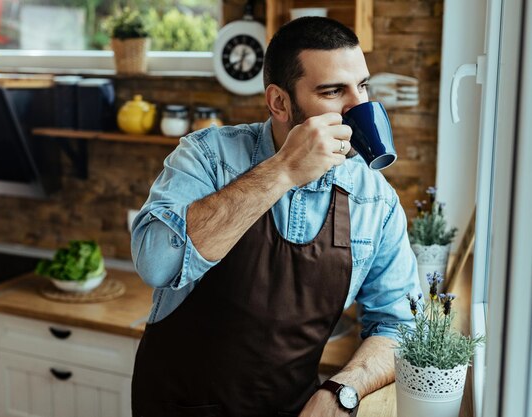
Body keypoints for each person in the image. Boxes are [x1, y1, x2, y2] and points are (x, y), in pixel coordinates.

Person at [130, 16, 420, 417]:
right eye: (334, 91)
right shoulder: (207, 156)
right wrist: (282, 171)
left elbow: (399, 325)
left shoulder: (376, 202)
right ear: (279, 102)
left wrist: (343, 390)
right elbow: (156, 263)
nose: (359, 106)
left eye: (363, 86)